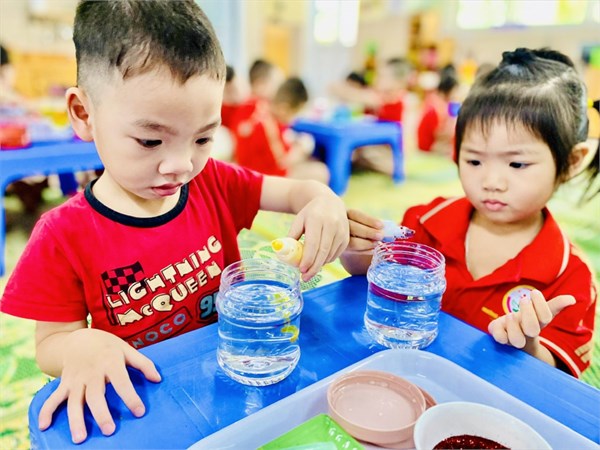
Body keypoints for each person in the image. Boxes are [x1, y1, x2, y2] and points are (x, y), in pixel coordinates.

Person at [0, 1, 349, 444]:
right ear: (84, 114)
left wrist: (322, 200)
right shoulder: (62, 235)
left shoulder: (213, 182)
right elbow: (50, 345)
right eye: (151, 140)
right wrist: (80, 345)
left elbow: (298, 191)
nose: (181, 165)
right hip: (148, 405)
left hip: (232, 380)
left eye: (203, 138)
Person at [341, 48, 599, 378]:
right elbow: (369, 273)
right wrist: (355, 249)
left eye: (517, 164)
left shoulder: (570, 276)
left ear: (572, 162)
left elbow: (557, 378)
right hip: (405, 375)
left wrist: (528, 347)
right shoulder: (425, 221)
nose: (491, 182)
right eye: (474, 160)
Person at [235, 76, 329, 184]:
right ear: (284, 109)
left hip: (246, 168)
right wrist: (300, 151)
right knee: (321, 171)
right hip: (262, 179)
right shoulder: (270, 126)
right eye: (295, 114)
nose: (294, 120)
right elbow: (282, 163)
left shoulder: (257, 106)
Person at [417, 65, 460, 156]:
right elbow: (438, 133)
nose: (456, 95)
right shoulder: (436, 107)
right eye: (455, 91)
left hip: (432, 144)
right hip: (428, 148)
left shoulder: (443, 103)